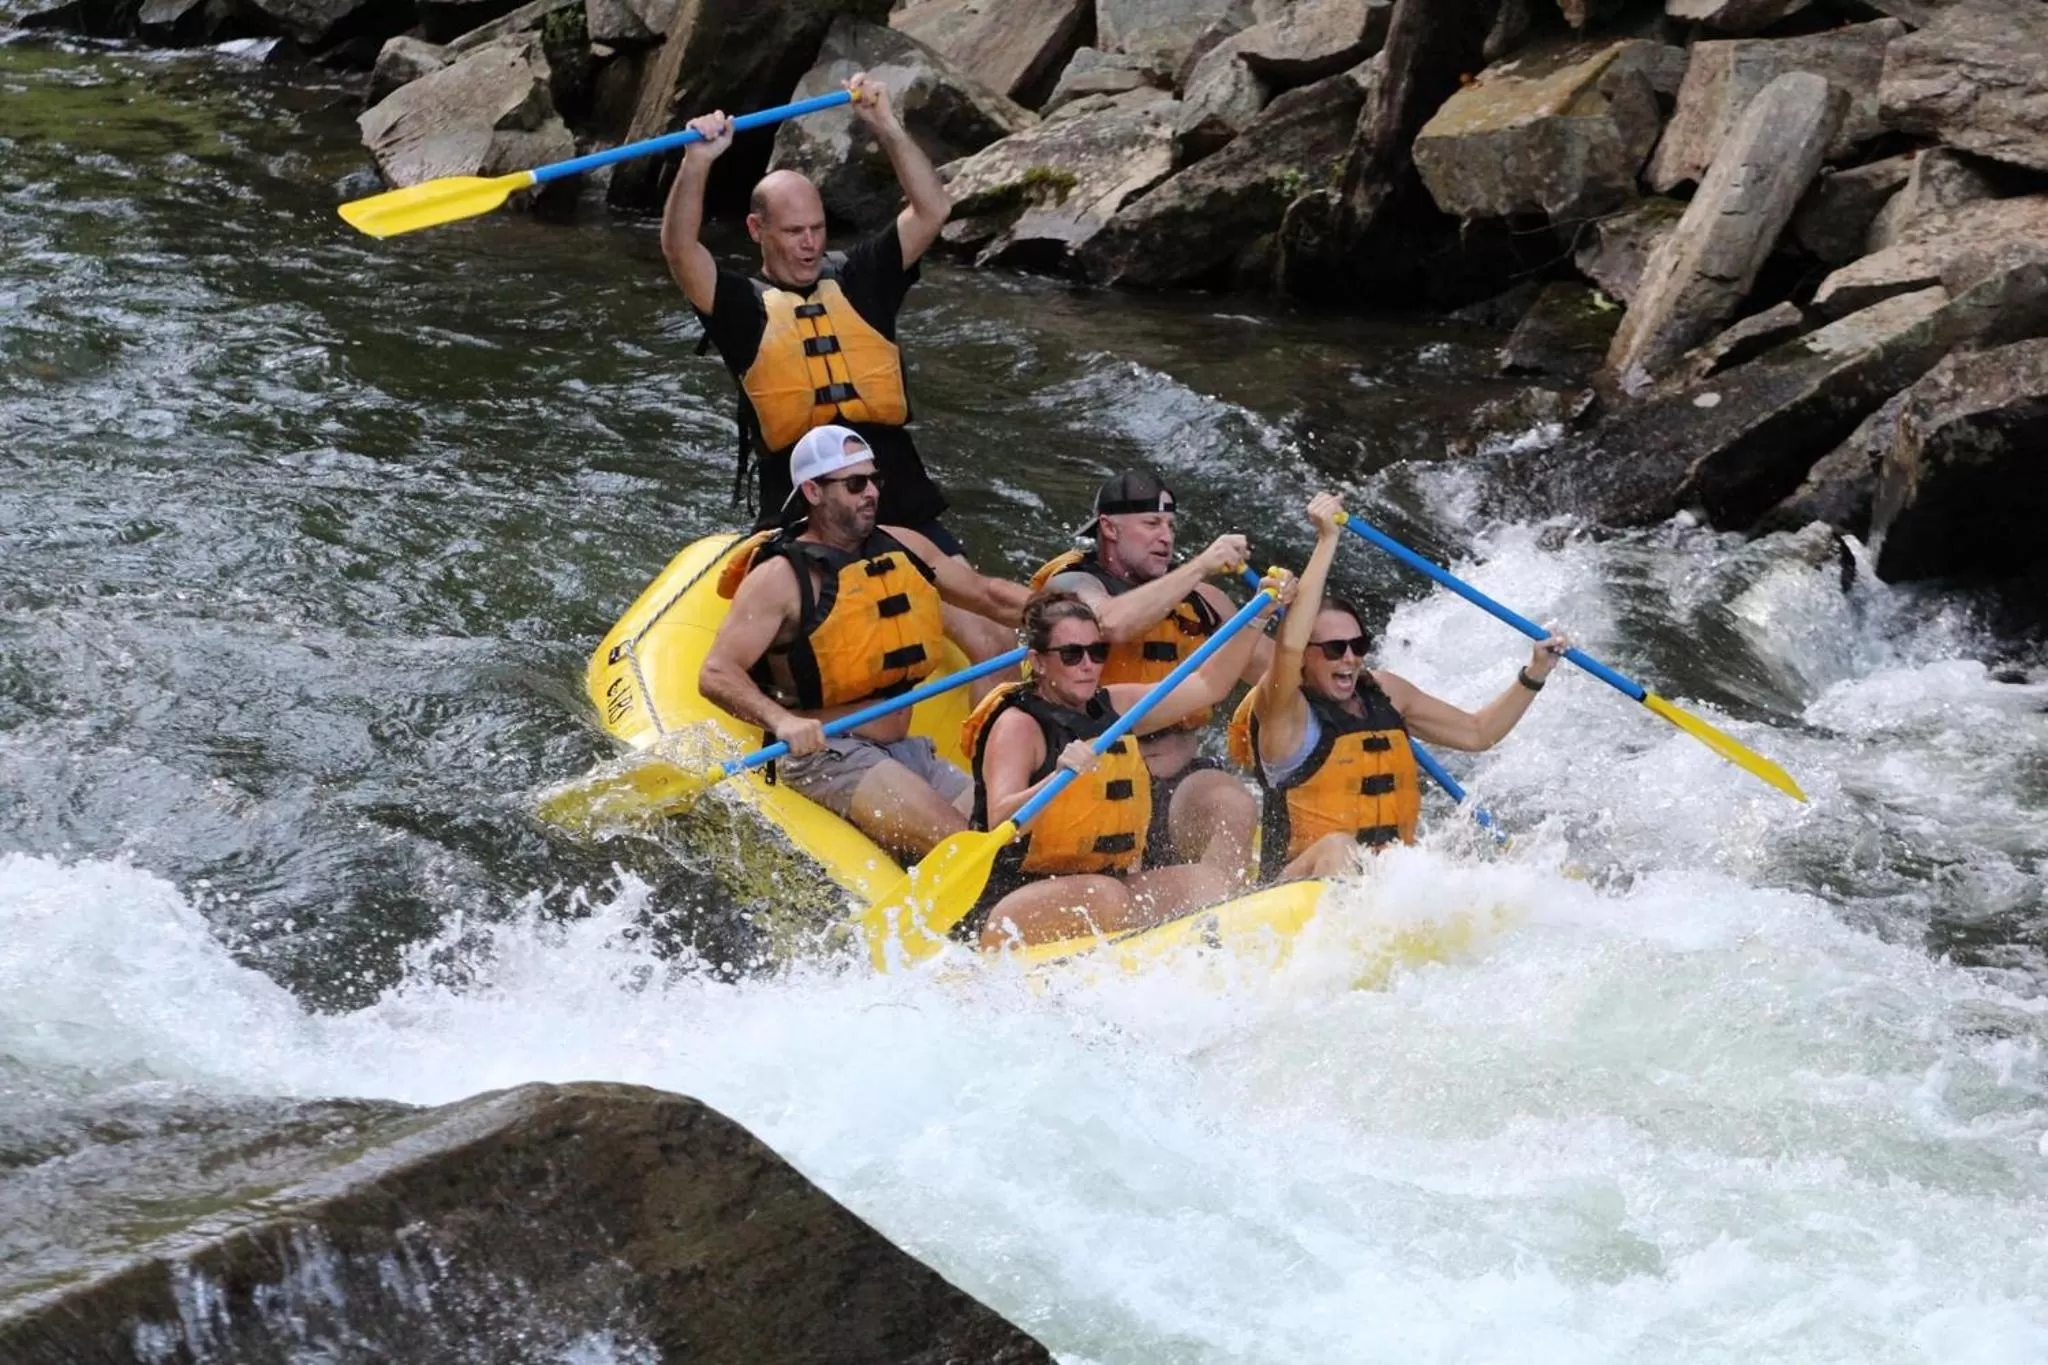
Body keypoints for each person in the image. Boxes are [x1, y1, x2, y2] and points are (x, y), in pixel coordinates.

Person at [662, 72, 1019, 667]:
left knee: (992, 642)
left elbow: (932, 210)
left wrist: (885, 125)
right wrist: (697, 162)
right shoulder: (740, 308)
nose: (808, 244)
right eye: (793, 232)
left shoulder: (861, 280)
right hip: (803, 505)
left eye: (817, 230)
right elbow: (680, 250)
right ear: (757, 231)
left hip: (897, 490)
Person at [699, 426, 1030, 862]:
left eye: (875, 480)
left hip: (906, 751)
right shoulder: (779, 578)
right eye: (855, 484)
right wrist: (782, 722)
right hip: (825, 754)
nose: (871, 492)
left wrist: (1068, 615)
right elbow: (716, 672)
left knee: (1014, 838)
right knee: (966, 849)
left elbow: (986, 596)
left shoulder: (904, 544)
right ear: (814, 492)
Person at [1230, 491, 1568, 882]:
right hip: (1293, 893)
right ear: (1306, 656)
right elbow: (1288, 644)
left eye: (1358, 646)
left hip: (1386, 896)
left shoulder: (1385, 691)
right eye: (1335, 649)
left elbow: (1478, 733)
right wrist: (1327, 540)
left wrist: (1536, 671)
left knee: (1477, 861)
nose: (1350, 659)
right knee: (1340, 848)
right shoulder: (1282, 711)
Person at [958, 583, 1294, 949]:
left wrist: (1258, 617)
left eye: (1097, 652)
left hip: (1105, 882)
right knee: (1107, 895)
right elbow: (1002, 821)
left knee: (1214, 885)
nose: (1088, 665)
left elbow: (1207, 685)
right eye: (1072, 654)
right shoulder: (1018, 725)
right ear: (1038, 661)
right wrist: (1057, 779)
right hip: (1014, 899)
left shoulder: (1113, 706)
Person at [1033, 470, 1268, 877]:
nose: (1166, 536)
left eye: (1171, 526)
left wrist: (1283, 607)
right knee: (1123, 873)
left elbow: (1277, 671)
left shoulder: (1203, 600)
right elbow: (1111, 624)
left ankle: (1219, 918)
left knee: (1236, 805)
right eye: (1151, 523)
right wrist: (1202, 565)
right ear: (1109, 528)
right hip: (1100, 779)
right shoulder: (1071, 584)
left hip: (1180, 779)